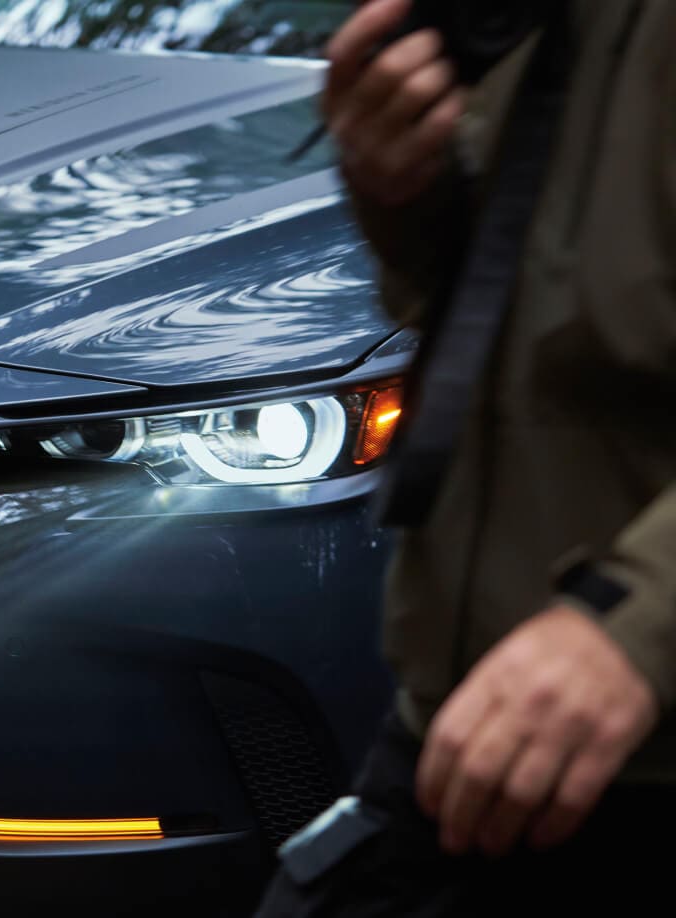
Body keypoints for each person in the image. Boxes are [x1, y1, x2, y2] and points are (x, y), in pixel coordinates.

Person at [253, 0, 676, 913]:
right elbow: (495, 316)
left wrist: (635, 631)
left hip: (633, 743)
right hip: (468, 730)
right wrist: (401, 193)